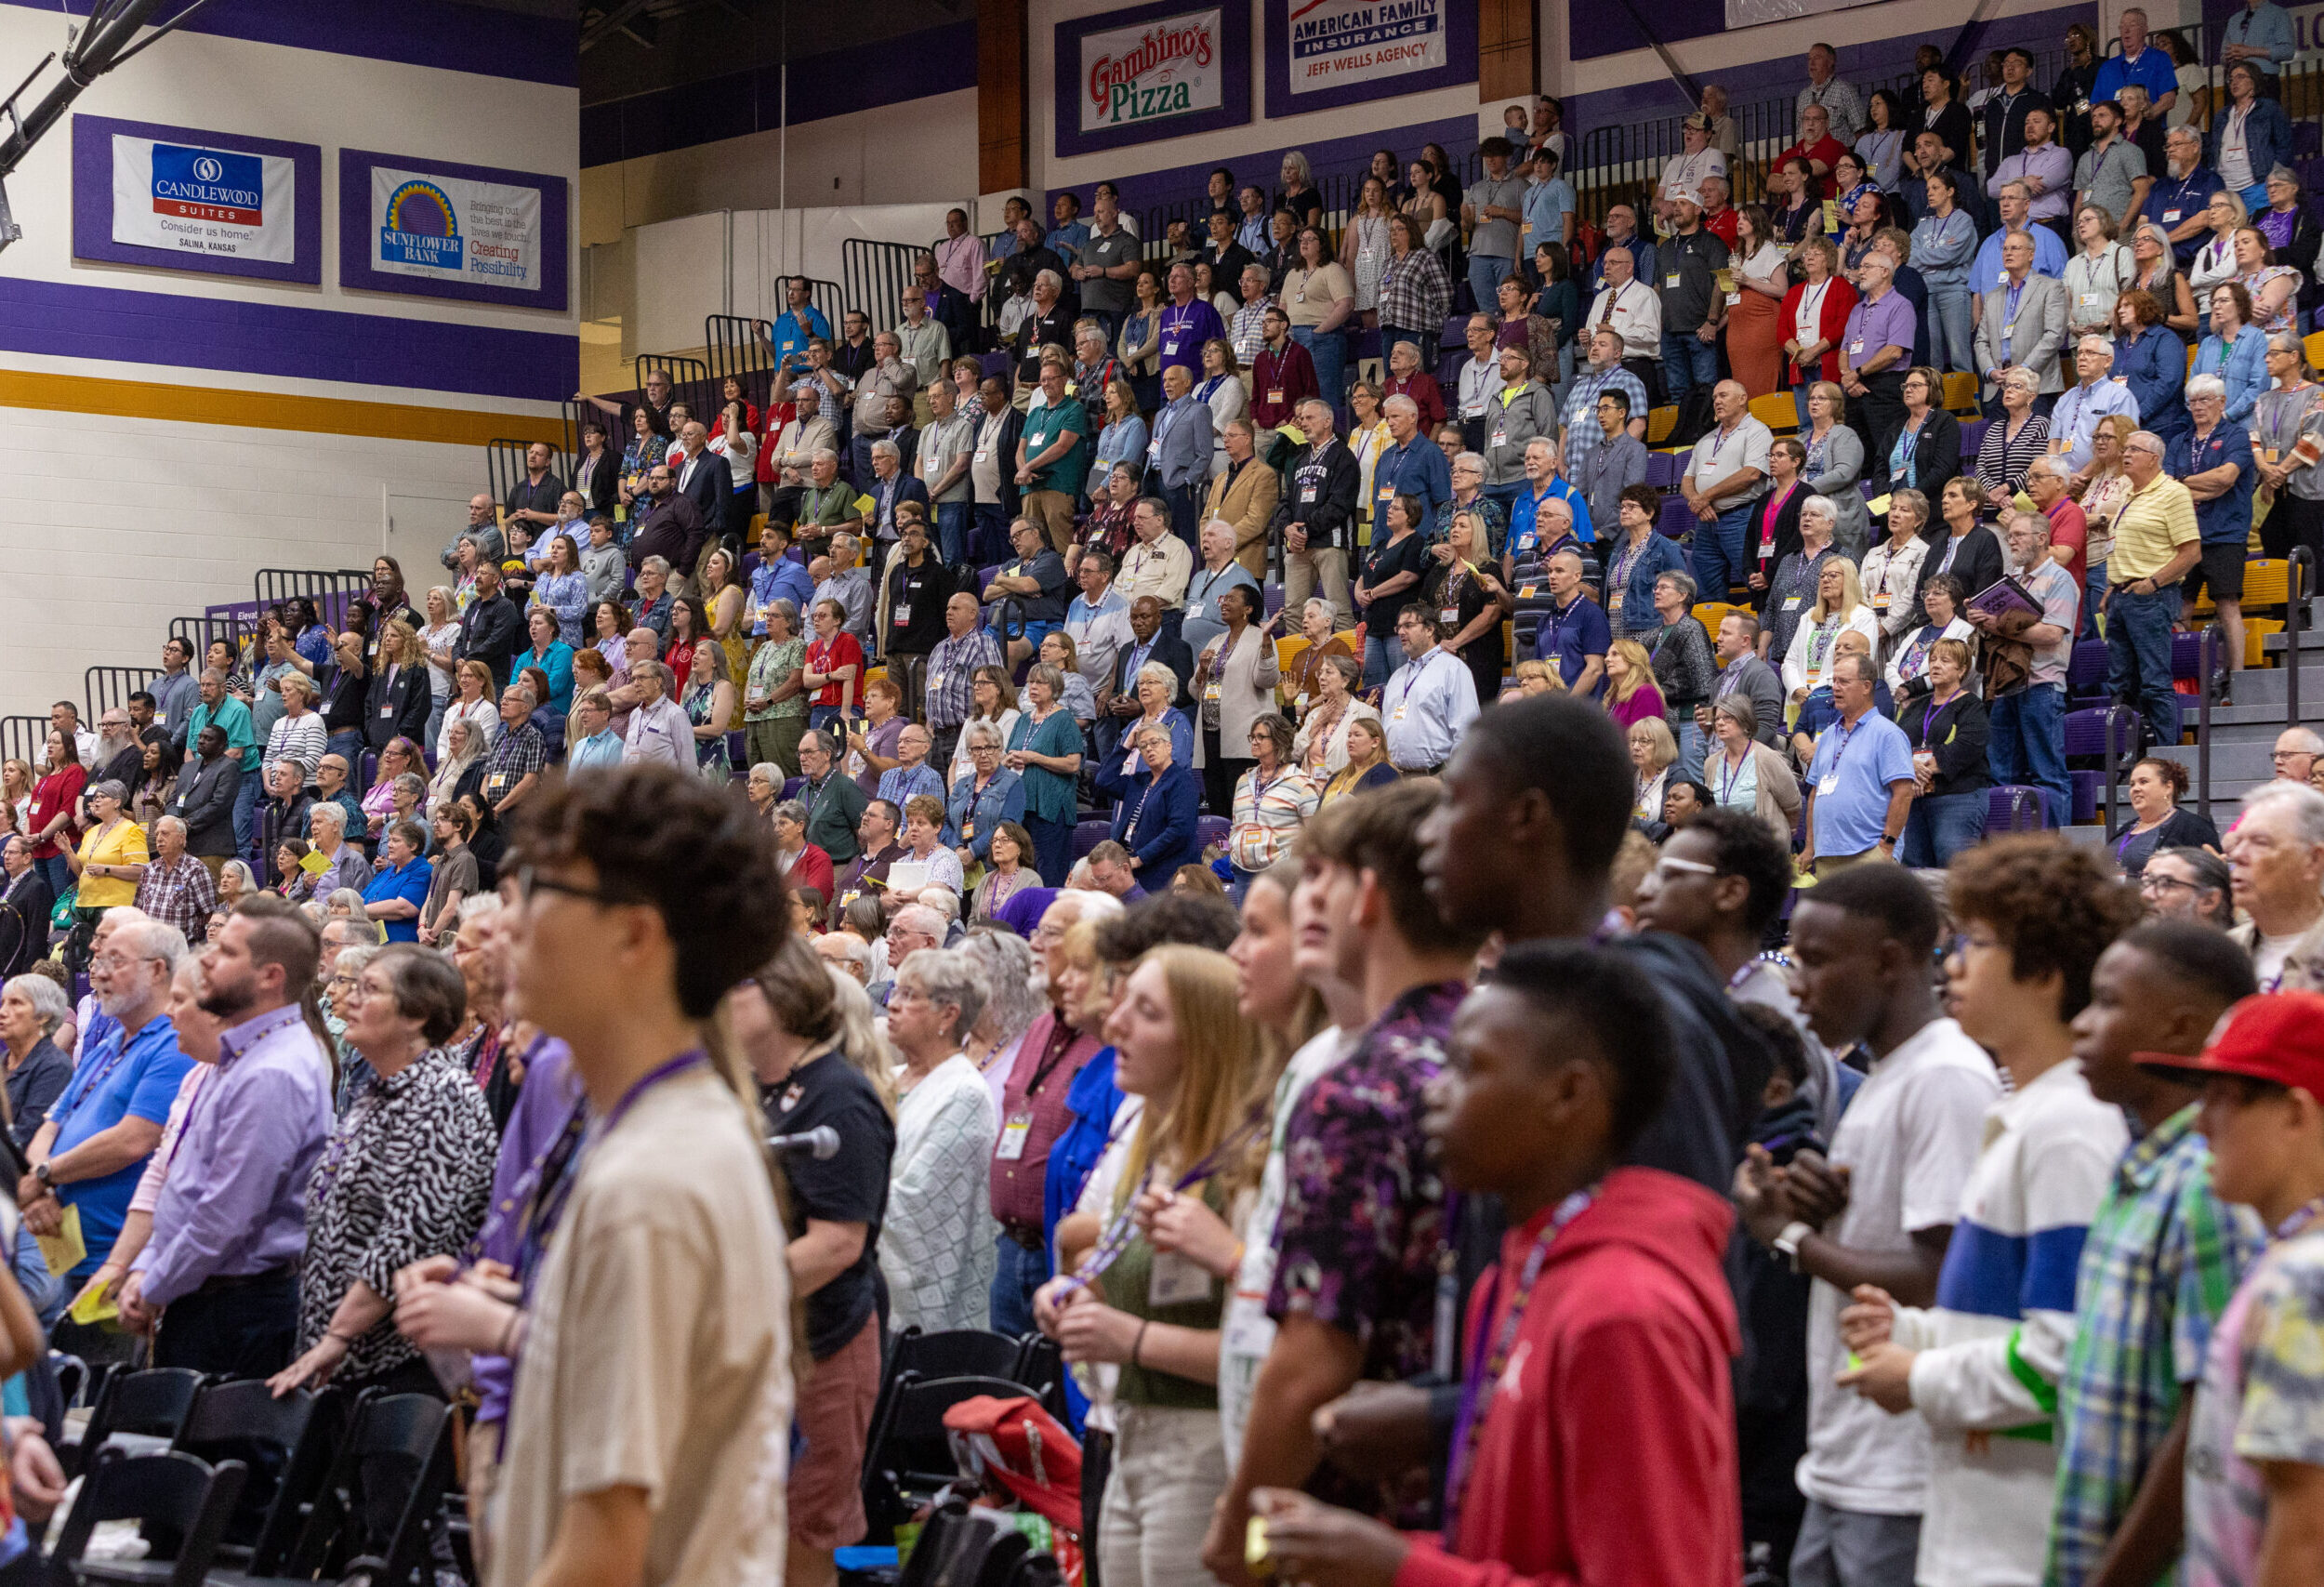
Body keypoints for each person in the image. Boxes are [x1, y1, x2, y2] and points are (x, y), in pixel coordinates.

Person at [1248, 940, 1743, 1587]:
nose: (1434, 1093)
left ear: (1569, 1094)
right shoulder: (1517, 1269)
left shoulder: (1624, 1312)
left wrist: (1401, 1569)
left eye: (1468, 1068)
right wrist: (1354, 1546)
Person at [468, 763, 791, 1587]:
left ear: (635, 935)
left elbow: (606, 1555)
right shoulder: (665, 1136)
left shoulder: (652, 1182)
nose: (508, 926)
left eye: (538, 892)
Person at [1201, 781, 1489, 1585]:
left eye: (1317, 875)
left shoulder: (1364, 1084)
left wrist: (1236, 1522)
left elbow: (1317, 1352)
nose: (1307, 900)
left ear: (1364, 895)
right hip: (1471, 1491)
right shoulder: (1495, 1048)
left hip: (1360, 1520)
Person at [1829, 840, 2137, 1587]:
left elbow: (2068, 1360)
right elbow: (2005, 1326)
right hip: (1977, 1527)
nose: (1954, 964)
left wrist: (1922, 1374)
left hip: (2025, 1543)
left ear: (2045, 972)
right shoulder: (2027, 1112)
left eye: (1978, 943)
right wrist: (1910, 1330)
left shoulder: (2069, 1127)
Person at [1725, 861, 2000, 1587]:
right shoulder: (1890, 1075)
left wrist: (1788, 1234)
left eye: (1816, 960)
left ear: (1887, 961)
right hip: (1845, 1454)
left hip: (1900, 1466)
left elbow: (1940, 1275)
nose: (1797, 982)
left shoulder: (1945, 1077)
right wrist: (1813, 1199)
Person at [2047, 918, 2263, 1587]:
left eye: (2107, 1002)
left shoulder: (2205, 1187)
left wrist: (2117, 1573)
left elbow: (2209, 1418)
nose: (2081, 1023)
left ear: (2180, 1027)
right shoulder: (2140, 1170)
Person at [729, 947, 895, 1587]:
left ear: (781, 996)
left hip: (822, 1342)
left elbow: (836, 1244)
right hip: (763, 1342)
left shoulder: (840, 1098)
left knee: (802, 1531)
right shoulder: (753, 1084)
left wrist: (722, 1296)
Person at [21, 916, 193, 1357]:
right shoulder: (112, 1041)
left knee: (103, 1395)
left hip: (118, 1262)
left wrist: (45, 1172)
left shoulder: (174, 1044)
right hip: (63, 1247)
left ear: (158, 970)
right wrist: (40, 1187)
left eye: (115, 961)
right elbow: (54, 1120)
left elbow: (134, 1139)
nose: (97, 970)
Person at [881, 946, 996, 1332]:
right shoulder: (890, 1079)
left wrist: (836, 1195)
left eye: (909, 996)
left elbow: (920, 1205)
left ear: (949, 1014)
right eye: (894, 993)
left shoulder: (964, 1094)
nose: (892, 1005)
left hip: (923, 1312)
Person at [2105, 430, 2201, 751]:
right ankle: (2127, 754)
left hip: (2152, 596)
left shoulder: (2173, 493)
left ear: (2154, 458)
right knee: (2119, 685)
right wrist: (2110, 589)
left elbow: (2191, 552)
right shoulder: (2126, 492)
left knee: (2155, 681)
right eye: (2126, 448)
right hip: (2120, 596)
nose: (2126, 454)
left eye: (2134, 449)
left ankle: (2166, 756)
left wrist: (2154, 583)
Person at [1801, 652, 1916, 873]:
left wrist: (1886, 845)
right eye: (1834, 681)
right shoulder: (1828, 736)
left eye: (1843, 681)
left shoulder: (1888, 734)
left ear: (1866, 686)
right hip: (1827, 855)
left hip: (1869, 853)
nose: (1835, 687)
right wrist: (1810, 847)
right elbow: (1815, 794)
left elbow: (1903, 792)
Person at [1894, 639, 1989, 867]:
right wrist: (1909, 770)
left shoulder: (1971, 705)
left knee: (1952, 863)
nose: (1936, 665)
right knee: (1913, 867)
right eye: (1933, 660)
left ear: (1962, 670)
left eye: (1945, 661)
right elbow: (1894, 743)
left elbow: (1967, 746)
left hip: (1957, 795)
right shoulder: (1916, 706)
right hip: (1915, 797)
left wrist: (1919, 772)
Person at [1193, 586, 1283, 816]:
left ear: (1248, 609)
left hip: (1241, 737)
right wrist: (1202, 671)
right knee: (1217, 804)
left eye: (1231, 599)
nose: (1224, 603)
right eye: (1224, 598)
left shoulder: (1261, 638)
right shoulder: (1215, 640)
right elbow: (1194, 691)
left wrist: (1265, 644)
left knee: (1240, 805)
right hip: (1210, 733)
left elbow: (1267, 680)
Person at [1680, 380, 1774, 603]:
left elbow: (1751, 474)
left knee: (1755, 582)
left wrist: (1706, 497)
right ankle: (1715, 636)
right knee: (1705, 590)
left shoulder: (1757, 431)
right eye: (1714, 398)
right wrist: (1698, 502)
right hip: (1706, 522)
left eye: (1723, 395)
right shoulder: (1707, 439)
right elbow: (1686, 479)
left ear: (1742, 399)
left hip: (1741, 518)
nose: (1717, 401)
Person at [2225, 782, 2324, 991]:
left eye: (2260, 842)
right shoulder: (2224, 952)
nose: (2237, 855)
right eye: (2238, 841)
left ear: (2313, 860)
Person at [0, 973, 73, 1148]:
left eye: (16, 1003)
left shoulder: (55, 1067)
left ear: (43, 1016)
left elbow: (26, 1138)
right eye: (3, 1003)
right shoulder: (3, 1061)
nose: (2, 1012)